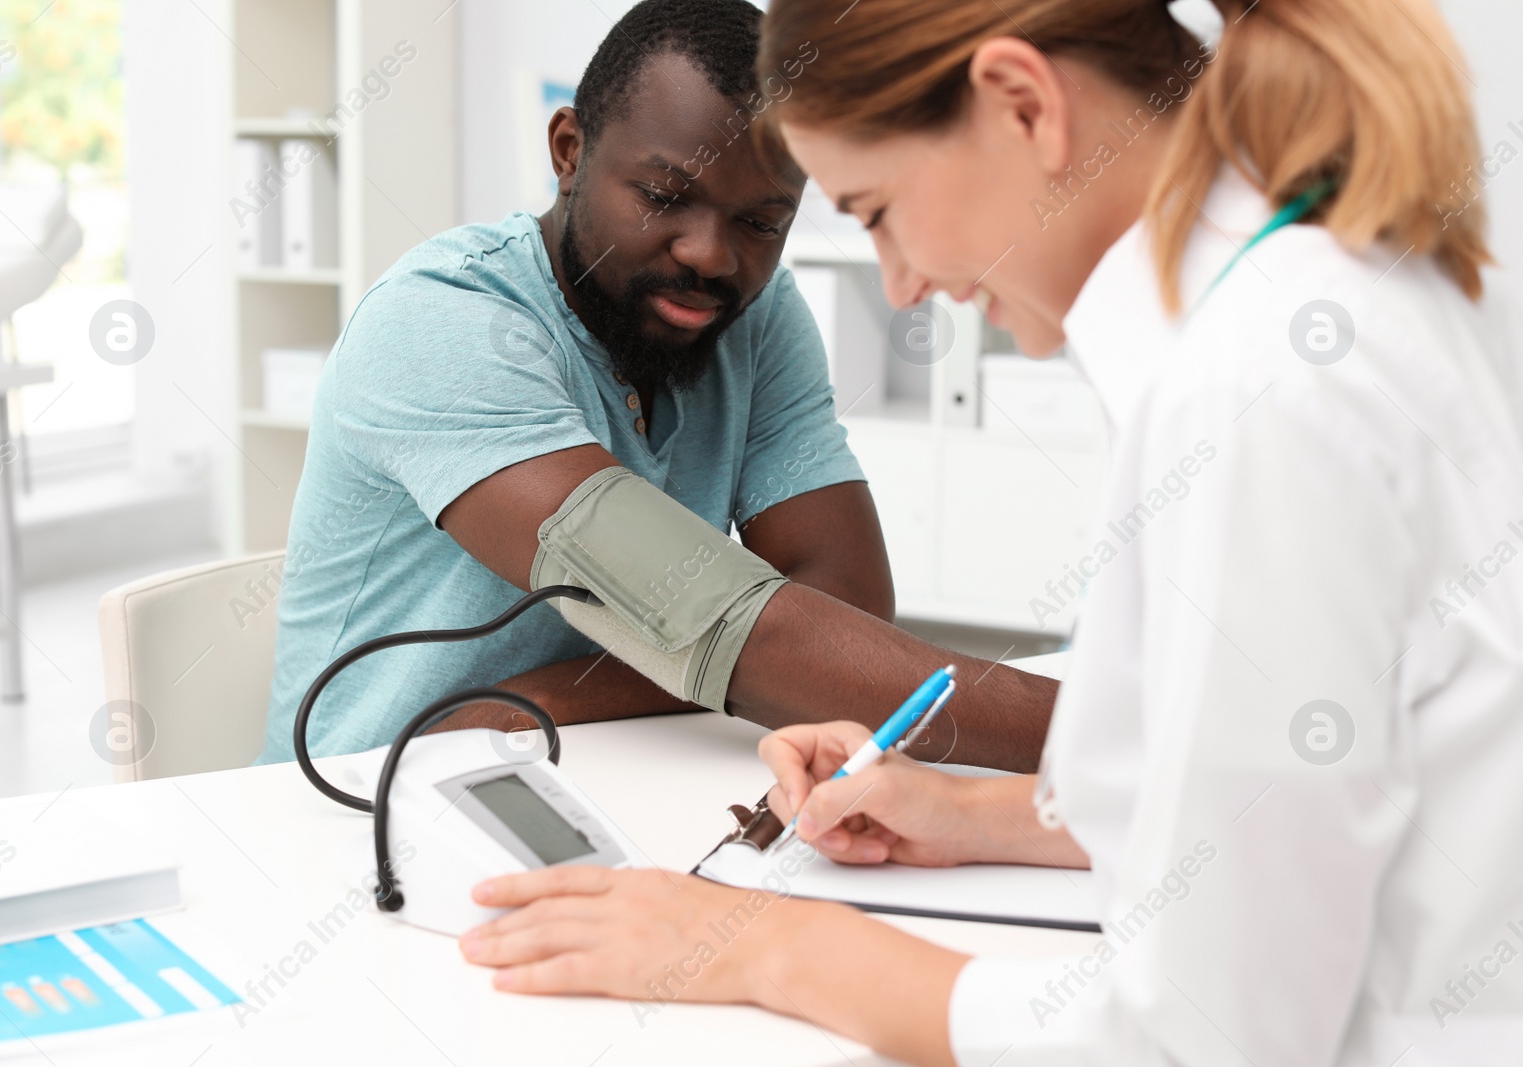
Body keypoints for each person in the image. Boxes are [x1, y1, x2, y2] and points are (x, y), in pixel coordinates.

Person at [456, 1, 1523, 1064]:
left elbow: (1202, 1040)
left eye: (877, 211)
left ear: (1023, 105)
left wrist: (761, 945)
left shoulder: (1256, 388)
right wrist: (986, 817)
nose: (904, 284)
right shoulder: (1336, 294)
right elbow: (1318, 800)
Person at [258, 0, 1057, 770]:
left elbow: (842, 602)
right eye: (665, 197)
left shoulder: (757, 317)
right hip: (371, 800)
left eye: (760, 223)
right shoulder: (442, 326)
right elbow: (739, 634)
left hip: (591, 759)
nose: (710, 254)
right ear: (569, 150)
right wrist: (1095, 743)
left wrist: (542, 697)